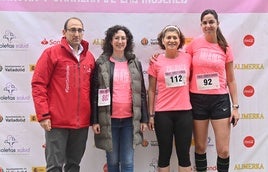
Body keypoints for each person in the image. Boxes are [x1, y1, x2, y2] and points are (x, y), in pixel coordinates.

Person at [31, 17, 95, 172]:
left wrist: (94, 118)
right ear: (64, 32)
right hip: (56, 122)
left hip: (81, 124)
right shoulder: (51, 53)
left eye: (80, 30)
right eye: (72, 30)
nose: (76, 34)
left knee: (74, 166)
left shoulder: (90, 57)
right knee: (54, 167)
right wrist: (43, 115)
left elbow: (93, 90)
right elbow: (38, 85)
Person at [185, 9, 240, 172]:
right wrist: (157, 58)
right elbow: (180, 63)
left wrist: (235, 107)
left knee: (223, 150)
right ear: (201, 25)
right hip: (197, 100)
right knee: (200, 147)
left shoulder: (225, 48)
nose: (208, 25)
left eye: (211, 22)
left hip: (220, 101)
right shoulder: (194, 45)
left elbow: (231, 79)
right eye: (205, 22)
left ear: (217, 24)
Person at [91, 25, 148, 172]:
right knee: (113, 162)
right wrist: (95, 120)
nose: (120, 41)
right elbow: (95, 93)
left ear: (127, 41)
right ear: (110, 41)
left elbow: (141, 92)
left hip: (130, 120)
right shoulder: (101, 63)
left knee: (128, 162)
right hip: (109, 120)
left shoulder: (135, 63)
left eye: (123, 38)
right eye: (116, 38)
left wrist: (144, 119)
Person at [147, 25, 193, 172]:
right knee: (164, 155)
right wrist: (151, 115)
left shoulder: (188, 58)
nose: (172, 40)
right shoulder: (155, 61)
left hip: (185, 113)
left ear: (179, 41)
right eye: (169, 37)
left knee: (184, 156)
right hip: (163, 114)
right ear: (162, 40)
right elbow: (152, 90)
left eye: (175, 37)